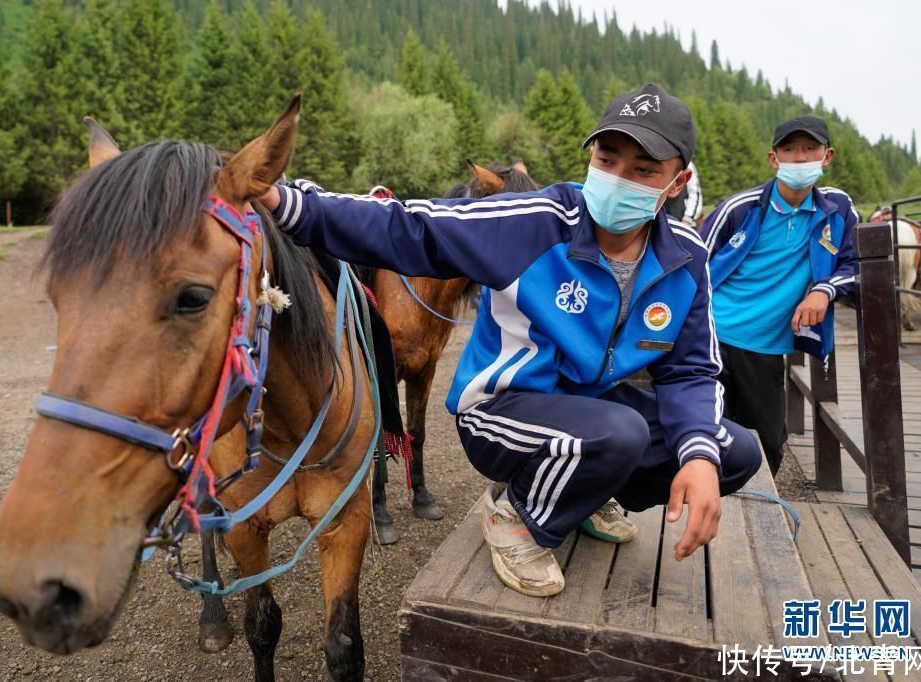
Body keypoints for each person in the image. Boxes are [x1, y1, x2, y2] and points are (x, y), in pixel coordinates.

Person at [257, 84, 761, 597]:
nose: (618, 179)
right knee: (621, 432)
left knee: (732, 450)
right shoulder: (535, 223)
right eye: (608, 159)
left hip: (595, 414)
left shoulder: (686, 257)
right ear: (591, 156)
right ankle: (514, 518)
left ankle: (586, 494)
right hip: (501, 410)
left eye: (644, 171)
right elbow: (412, 228)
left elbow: (691, 371)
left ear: (678, 182)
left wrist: (698, 457)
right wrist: (285, 201)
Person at [700, 115, 858, 476]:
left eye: (809, 149)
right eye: (789, 149)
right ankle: (703, 518)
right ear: (774, 159)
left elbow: (855, 264)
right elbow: (692, 264)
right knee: (705, 434)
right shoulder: (739, 208)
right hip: (713, 336)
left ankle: (757, 525)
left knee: (769, 444)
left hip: (766, 347)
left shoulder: (836, 210)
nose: (800, 159)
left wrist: (823, 289)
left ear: (827, 156)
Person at [664, 161, 703, 228]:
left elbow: (694, 193)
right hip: (662, 220)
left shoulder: (687, 164)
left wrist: (687, 220)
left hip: (682, 220)